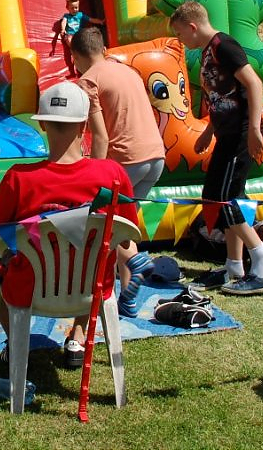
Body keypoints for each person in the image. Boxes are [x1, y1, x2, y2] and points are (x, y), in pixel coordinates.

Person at [0, 81, 139, 368]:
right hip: (92, 288)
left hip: (29, 288)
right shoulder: (113, 175)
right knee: (94, 253)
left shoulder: (19, 179)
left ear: (42, 125)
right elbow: (127, 239)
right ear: (83, 126)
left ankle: (15, 339)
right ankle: (78, 335)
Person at [168, 1, 263, 295]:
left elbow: (254, 84)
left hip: (241, 134)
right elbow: (221, 97)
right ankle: (234, 265)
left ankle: (262, 257)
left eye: (180, 33)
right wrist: (209, 131)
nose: (180, 40)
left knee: (224, 199)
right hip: (225, 134)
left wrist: (253, 129)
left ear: (192, 27)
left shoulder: (223, 46)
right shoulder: (207, 52)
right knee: (219, 197)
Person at [70, 26, 166, 317]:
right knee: (121, 225)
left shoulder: (88, 81)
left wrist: (93, 174)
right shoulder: (127, 71)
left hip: (126, 161)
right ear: (103, 49)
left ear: (76, 56)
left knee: (103, 225)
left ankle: (129, 266)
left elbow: (100, 137)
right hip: (156, 156)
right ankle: (128, 297)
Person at [50, 0, 103, 76]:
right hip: (70, 35)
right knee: (69, 39)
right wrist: (63, 29)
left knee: (85, 39)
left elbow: (91, 19)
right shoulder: (66, 16)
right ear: (67, 8)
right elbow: (64, 22)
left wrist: (100, 22)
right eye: (72, 8)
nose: (75, 10)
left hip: (79, 35)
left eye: (76, 7)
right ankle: (75, 51)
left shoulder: (80, 15)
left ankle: (83, 56)